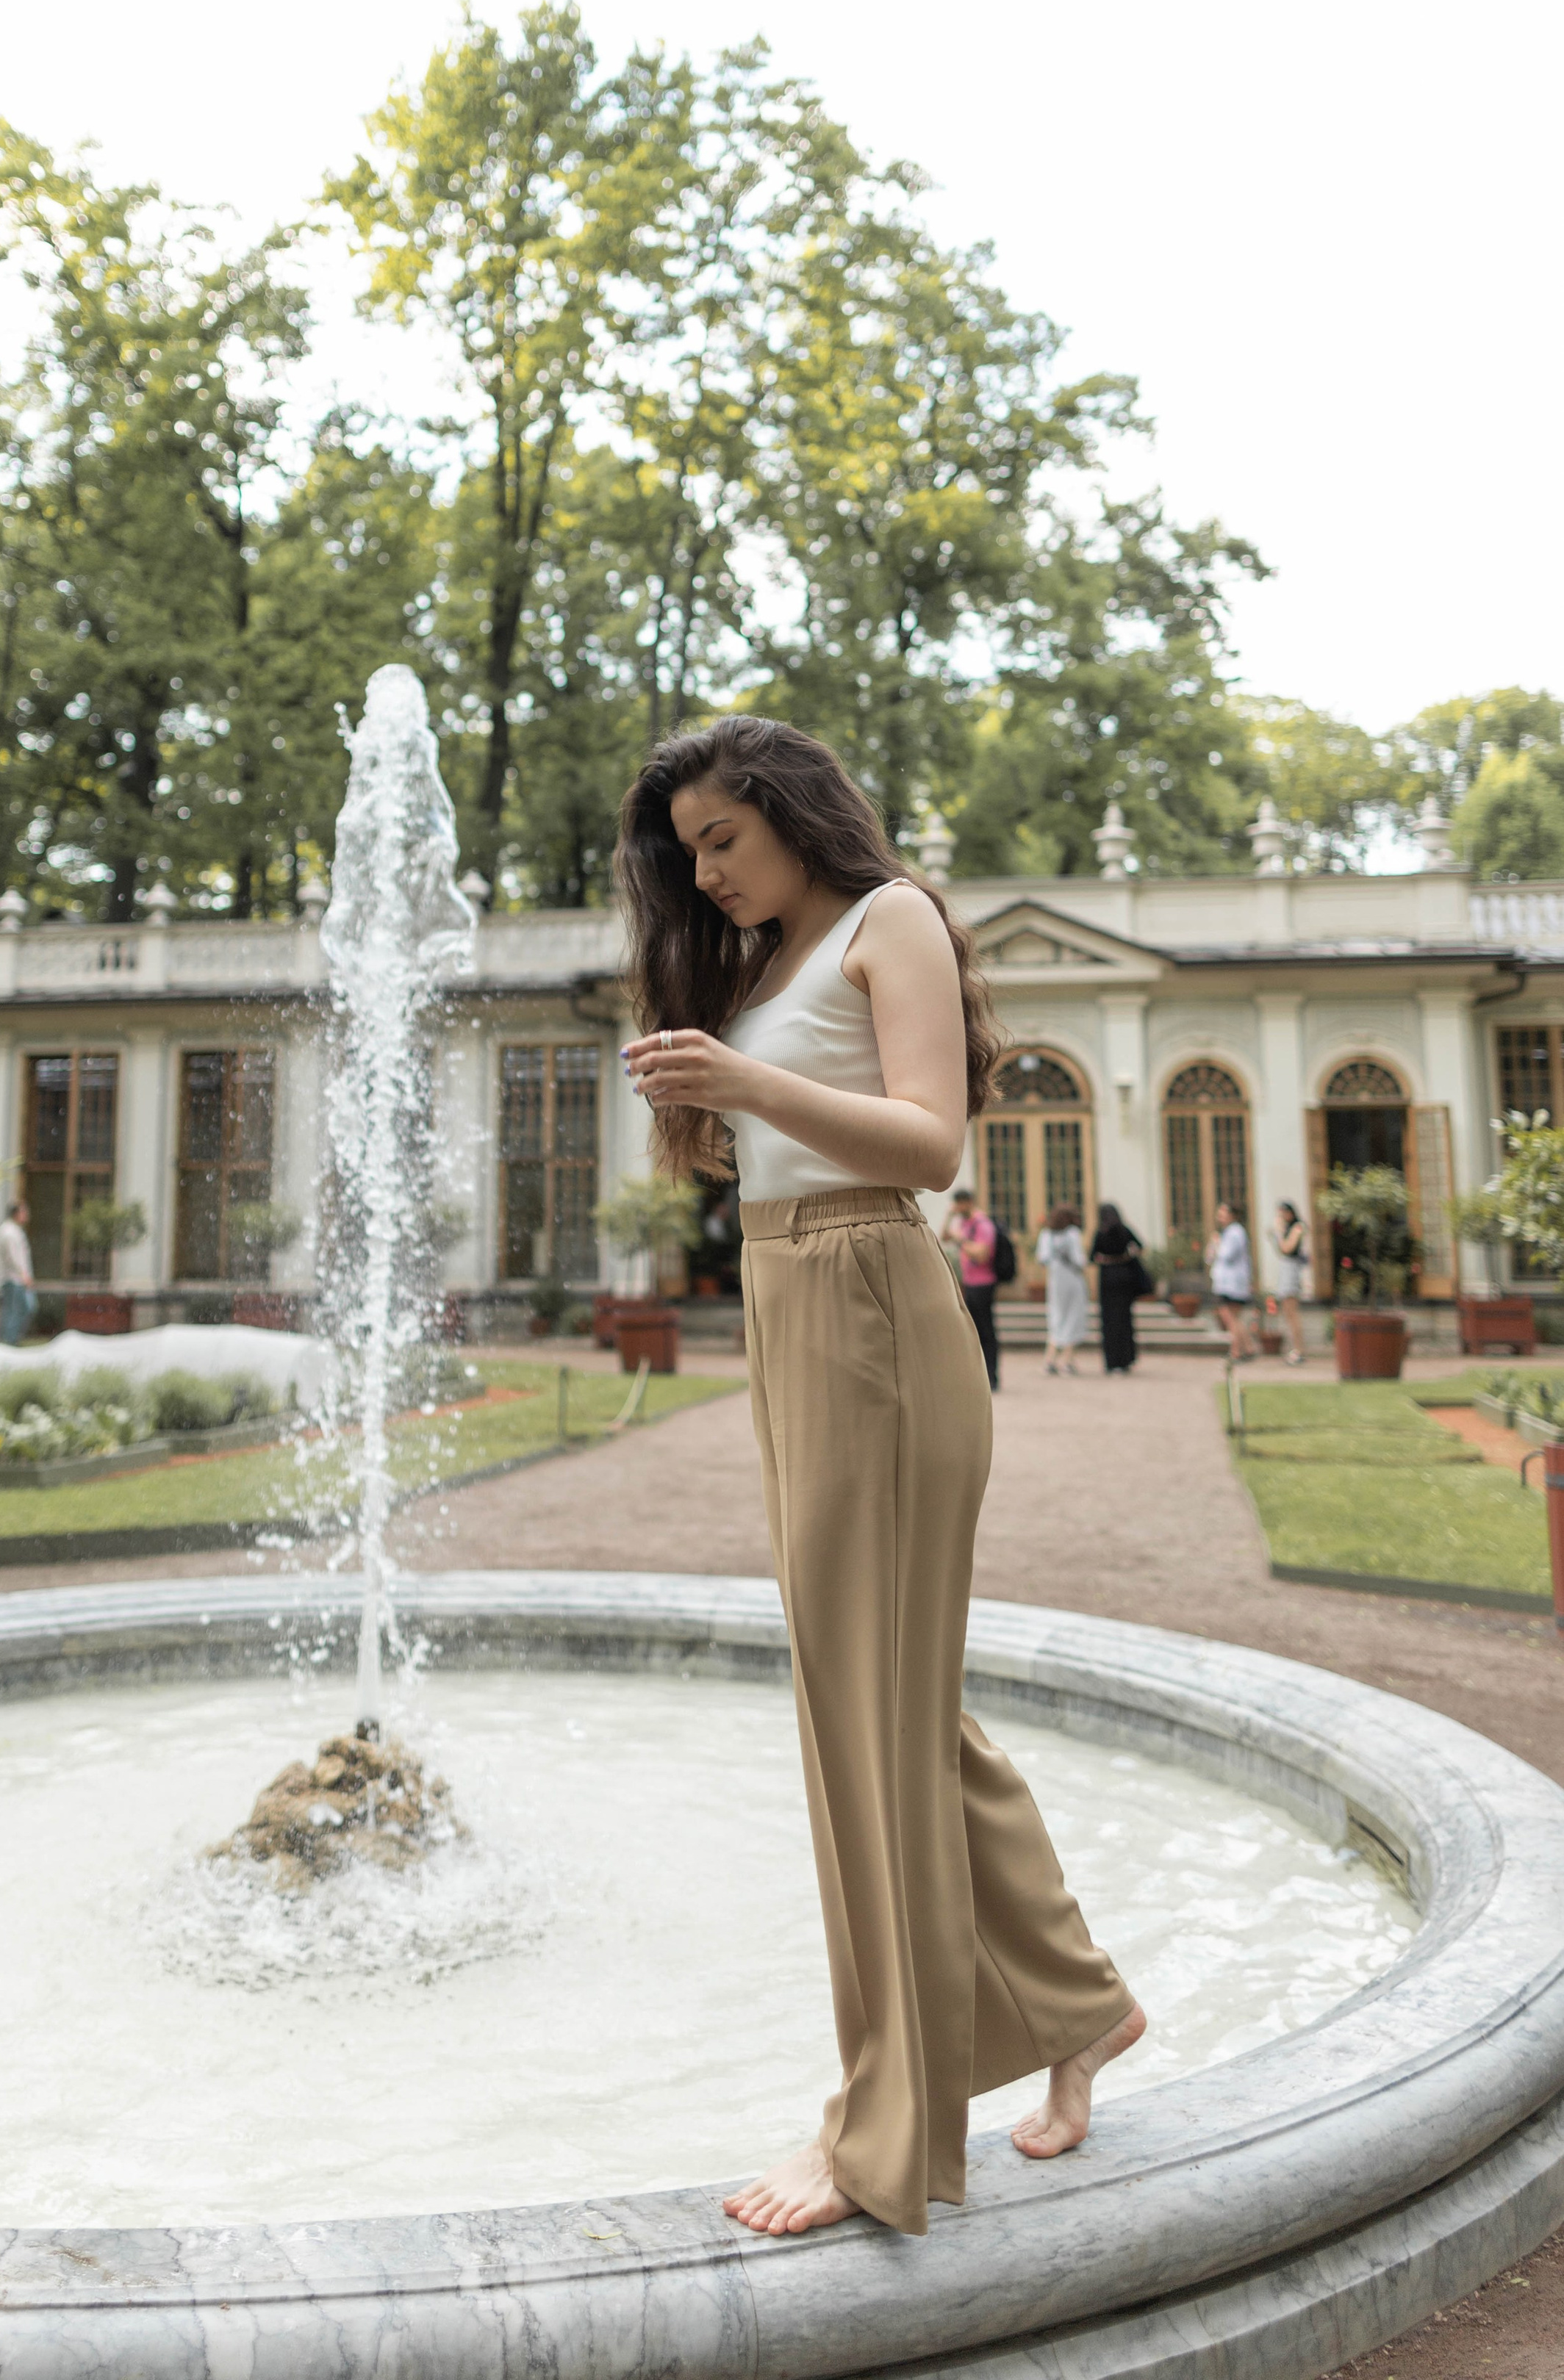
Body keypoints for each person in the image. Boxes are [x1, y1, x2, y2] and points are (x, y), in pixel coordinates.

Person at [616, 714, 1144, 2241]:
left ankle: (879, 2133)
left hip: (872, 1305)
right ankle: (1075, 2002)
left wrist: (747, 1081)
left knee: (865, 1719)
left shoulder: (887, 917)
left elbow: (924, 1143)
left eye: (723, 836)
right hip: (786, 1307)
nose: (705, 871)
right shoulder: (765, 963)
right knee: (894, 1704)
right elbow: (765, 1158)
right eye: (687, 850)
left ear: (791, 810)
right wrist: (702, 1085)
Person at [944, 1184, 1000, 1389]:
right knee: (972, 1332)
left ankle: (992, 1377)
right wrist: (950, 1217)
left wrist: (961, 1240)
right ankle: (979, 1377)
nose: (957, 1208)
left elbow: (982, 1254)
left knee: (986, 1331)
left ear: (968, 1202)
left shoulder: (982, 1224)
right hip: (969, 1283)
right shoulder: (965, 1223)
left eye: (959, 1204)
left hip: (984, 1284)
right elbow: (944, 1236)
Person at [1090, 1201, 1144, 1374]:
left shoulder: (1100, 1233)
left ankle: (1112, 1361)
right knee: (1125, 1319)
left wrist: (1106, 1259)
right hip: (1124, 1276)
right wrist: (1126, 1256)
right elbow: (1140, 1247)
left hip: (1108, 1278)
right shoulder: (1124, 1230)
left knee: (1109, 1321)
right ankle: (1126, 1358)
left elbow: (1092, 1256)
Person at [1035, 1202, 1089, 1376]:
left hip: (1056, 1279)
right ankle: (1067, 1359)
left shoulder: (1046, 1234)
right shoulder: (1072, 1234)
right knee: (1073, 1315)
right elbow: (1078, 1260)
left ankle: (1050, 1359)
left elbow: (1042, 1258)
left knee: (1056, 1315)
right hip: (1072, 1279)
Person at [1207, 1199, 1255, 1359]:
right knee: (1233, 1318)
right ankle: (1247, 1348)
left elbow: (1227, 1255)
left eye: (1223, 1213)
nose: (1220, 1217)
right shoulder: (1228, 1233)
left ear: (1232, 1215)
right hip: (1226, 1283)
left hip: (1233, 1284)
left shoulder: (1236, 1232)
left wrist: (1218, 1243)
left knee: (1230, 1318)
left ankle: (1236, 1351)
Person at [1271, 1202, 1310, 1364]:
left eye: (1282, 1214)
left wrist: (1279, 1233)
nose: (1281, 1218)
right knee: (1287, 1312)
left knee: (1293, 1312)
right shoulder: (1287, 1229)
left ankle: (1299, 1350)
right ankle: (1295, 1348)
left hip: (1292, 1270)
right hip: (1285, 1268)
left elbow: (1288, 1249)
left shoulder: (1298, 1227)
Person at [0, 1199, 36, 1348]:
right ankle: (9, 1340)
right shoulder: (9, 1232)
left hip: (18, 1278)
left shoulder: (14, 1231)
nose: (27, 1215)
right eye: (24, 1211)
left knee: (18, 1309)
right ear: (17, 1213)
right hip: (14, 1279)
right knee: (18, 1309)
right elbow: (13, 1258)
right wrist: (24, 1275)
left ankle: (11, 1339)